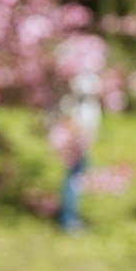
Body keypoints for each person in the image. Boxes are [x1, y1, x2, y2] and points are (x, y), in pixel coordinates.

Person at [54, 72, 102, 231]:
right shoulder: (74, 104)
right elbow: (71, 126)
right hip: (75, 149)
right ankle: (68, 219)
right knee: (72, 183)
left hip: (81, 149)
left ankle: (70, 216)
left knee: (75, 182)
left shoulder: (85, 104)